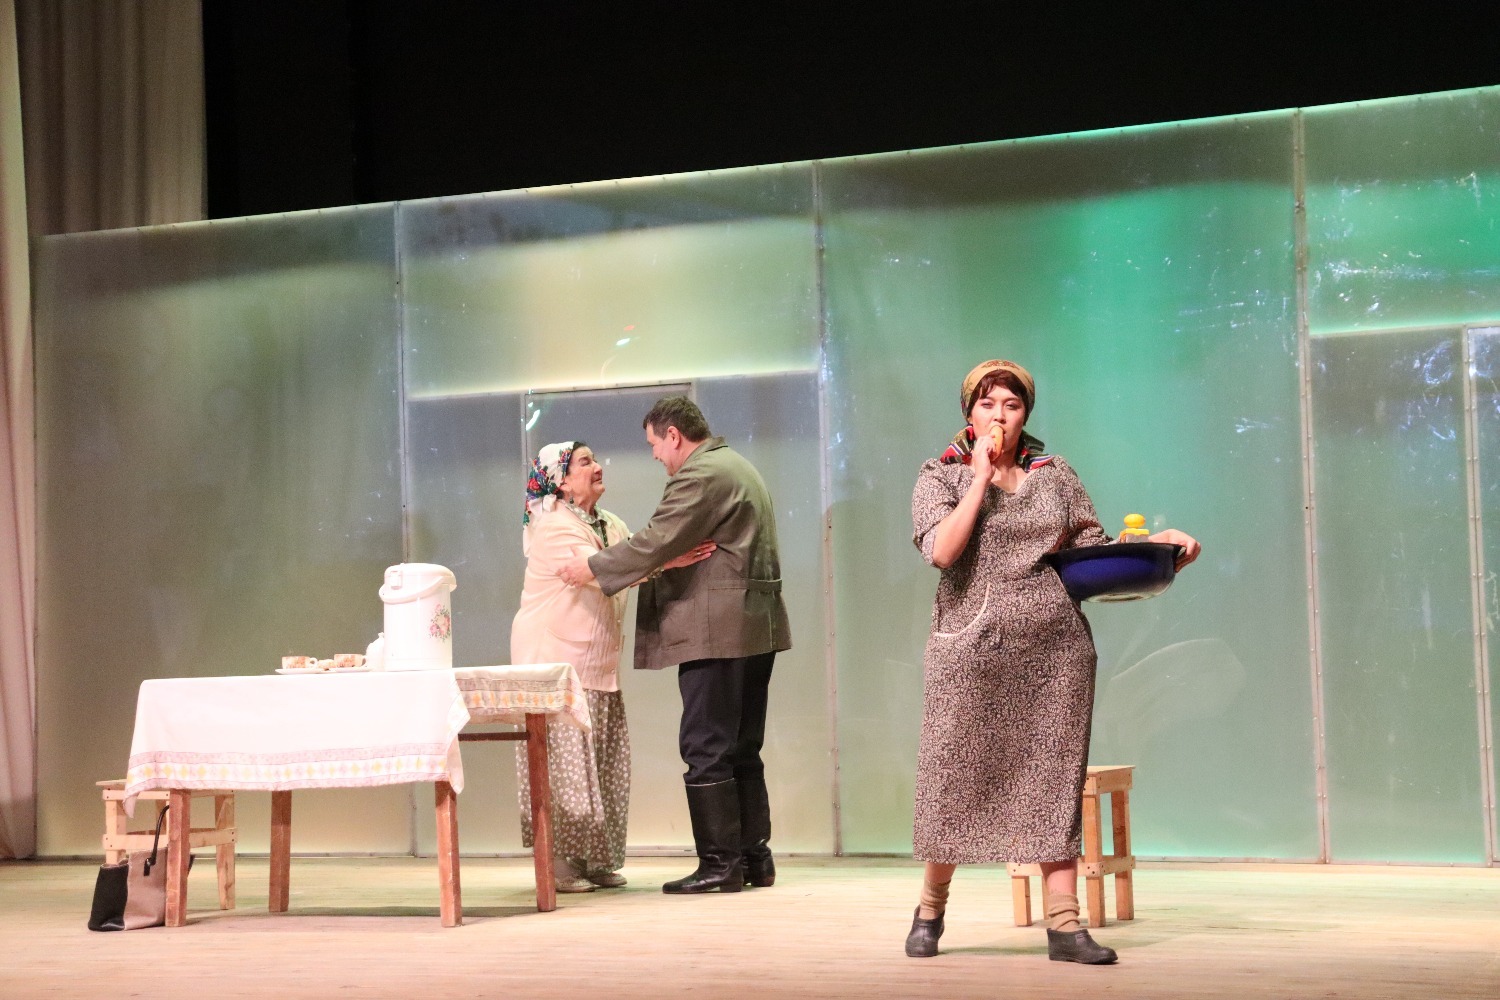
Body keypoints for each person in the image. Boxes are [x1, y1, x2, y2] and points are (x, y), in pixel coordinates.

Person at [905, 360, 1200, 965]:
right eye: (988, 404)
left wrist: (1158, 547)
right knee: (953, 778)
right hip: (971, 648)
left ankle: (1065, 926)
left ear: (1025, 415)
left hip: (1054, 649)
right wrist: (979, 480)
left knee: (1052, 781)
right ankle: (930, 910)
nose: (1000, 416)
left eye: (1012, 406)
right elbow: (942, 552)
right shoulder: (940, 474)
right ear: (969, 413)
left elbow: (1090, 552)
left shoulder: (1055, 474)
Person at [558, 396, 792, 895]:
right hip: (755, 627)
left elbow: (657, 540)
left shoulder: (700, 474)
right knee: (742, 746)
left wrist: (592, 567)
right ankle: (754, 858)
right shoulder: (738, 466)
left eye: (654, 445)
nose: (655, 456)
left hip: (718, 631)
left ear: (674, 435)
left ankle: (720, 864)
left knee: (706, 745)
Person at [511, 440, 713, 893]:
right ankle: (560, 864)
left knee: (601, 759)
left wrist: (665, 558)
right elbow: (601, 570)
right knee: (565, 765)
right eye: (585, 462)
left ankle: (595, 858)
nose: (597, 466)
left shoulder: (609, 522)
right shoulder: (553, 527)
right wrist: (661, 560)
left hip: (596, 660)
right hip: (554, 660)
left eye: (595, 459)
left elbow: (631, 557)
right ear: (562, 482)